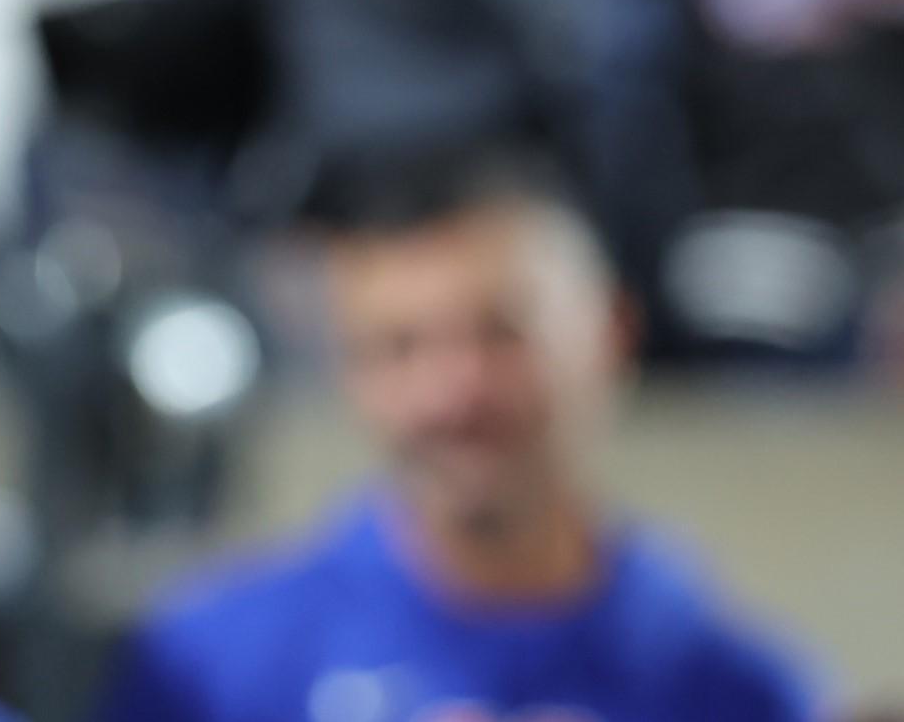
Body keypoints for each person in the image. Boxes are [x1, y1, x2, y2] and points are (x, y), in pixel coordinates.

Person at [90, 151, 823, 722]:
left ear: (609, 335)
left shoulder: (736, 688)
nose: (454, 394)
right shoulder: (207, 668)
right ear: (346, 370)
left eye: (501, 334)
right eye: (399, 347)